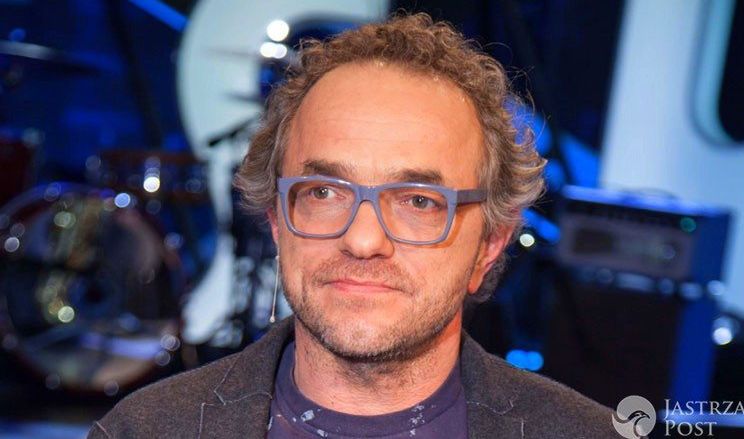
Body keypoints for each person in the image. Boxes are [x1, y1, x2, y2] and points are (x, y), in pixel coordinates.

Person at [89, 13, 619, 438]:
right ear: (277, 221)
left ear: (490, 244)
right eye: (324, 193)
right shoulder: (143, 430)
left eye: (418, 201)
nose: (362, 240)